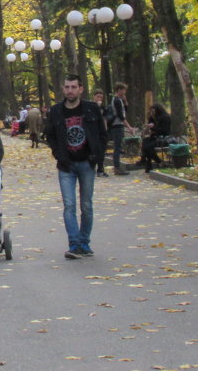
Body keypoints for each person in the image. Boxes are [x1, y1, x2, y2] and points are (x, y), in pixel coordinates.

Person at [46, 74, 107, 259]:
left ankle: (84, 243)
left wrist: (96, 158)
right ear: (63, 89)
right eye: (67, 87)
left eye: (73, 87)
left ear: (81, 88)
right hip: (66, 165)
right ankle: (74, 244)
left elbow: (102, 135)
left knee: (86, 205)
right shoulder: (56, 111)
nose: (70, 90)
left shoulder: (91, 109)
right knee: (69, 205)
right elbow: (50, 136)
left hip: (86, 164)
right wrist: (58, 154)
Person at [105, 83, 132, 175]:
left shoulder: (119, 100)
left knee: (118, 146)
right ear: (119, 90)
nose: (124, 92)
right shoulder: (116, 100)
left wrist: (126, 102)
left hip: (118, 124)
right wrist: (129, 127)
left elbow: (124, 111)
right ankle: (117, 168)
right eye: (123, 90)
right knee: (117, 146)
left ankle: (117, 167)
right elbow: (121, 116)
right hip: (117, 125)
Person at [141, 102, 173, 172]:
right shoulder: (155, 117)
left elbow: (164, 130)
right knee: (145, 142)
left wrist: (154, 128)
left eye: (153, 111)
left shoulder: (165, 117)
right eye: (152, 112)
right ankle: (147, 163)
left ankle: (157, 162)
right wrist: (151, 122)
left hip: (164, 138)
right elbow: (153, 127)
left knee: (148, 147)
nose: (153, 113)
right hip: (156, 137)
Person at [92, 90, 108, 178]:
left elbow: (104, 119)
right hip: (93, 132)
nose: (99, 99)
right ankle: (92, 168)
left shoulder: (103, 108)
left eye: (101, 97)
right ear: (94, 97)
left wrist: (105, 130)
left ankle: (100, 169)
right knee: (93, 150)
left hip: (101, 132)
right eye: (98, 97)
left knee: (102, 151)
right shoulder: (91, 106)